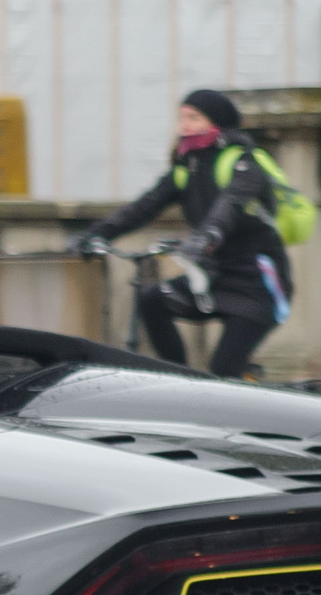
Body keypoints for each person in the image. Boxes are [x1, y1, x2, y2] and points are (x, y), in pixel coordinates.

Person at [72, 89, 293, 379]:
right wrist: (97, 234)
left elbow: (232, 203)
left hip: (257, 282)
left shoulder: (242, 161)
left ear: (217, 122)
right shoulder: (186, 167)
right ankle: (180, 378)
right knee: (152, 301)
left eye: (194, 117)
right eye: (181, 118)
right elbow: (144, 207)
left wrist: (208, 235)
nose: (184, 125)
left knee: (224, 372)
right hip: (214, 275)